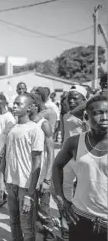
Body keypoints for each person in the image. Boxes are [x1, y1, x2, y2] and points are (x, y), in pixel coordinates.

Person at [52, 94, 107, 241]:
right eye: (98, 113)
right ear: (86, 116)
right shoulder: (74, 142)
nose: (105, 117)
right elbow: (57, 166)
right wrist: (60, 197)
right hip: (80, 217)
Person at [0, 94, 44, 241]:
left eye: (19, 104)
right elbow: (5, 155)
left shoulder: (35, 130)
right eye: (14, 103)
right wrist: (1, 179)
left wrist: (30, 194)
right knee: (14, 222)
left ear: (29, 108)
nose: (14, 106)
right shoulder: (11, 129)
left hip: (25, 186)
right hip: (11, 184)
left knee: (27, 227)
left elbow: (37, 164)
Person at [29, 94, 55, 241]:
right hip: (27, 177)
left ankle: (51, 237)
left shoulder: (43, 124)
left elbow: (51, 153)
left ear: (35, 106)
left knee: (44, 211)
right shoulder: (24, 124)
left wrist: (47, 178)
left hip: (41, 177)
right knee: (31, 212)